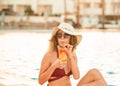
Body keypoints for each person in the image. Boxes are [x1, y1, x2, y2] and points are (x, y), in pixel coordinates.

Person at [38, 22, 107, 86]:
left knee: (95, 73)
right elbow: (40, 81)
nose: (62, 38)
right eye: (59, 35)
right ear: (56, 38)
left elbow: (76, 77)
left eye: (66, 36)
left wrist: (71, 57)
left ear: (70, 38)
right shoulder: (49, 55)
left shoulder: (72, 55)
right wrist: (53, 66)